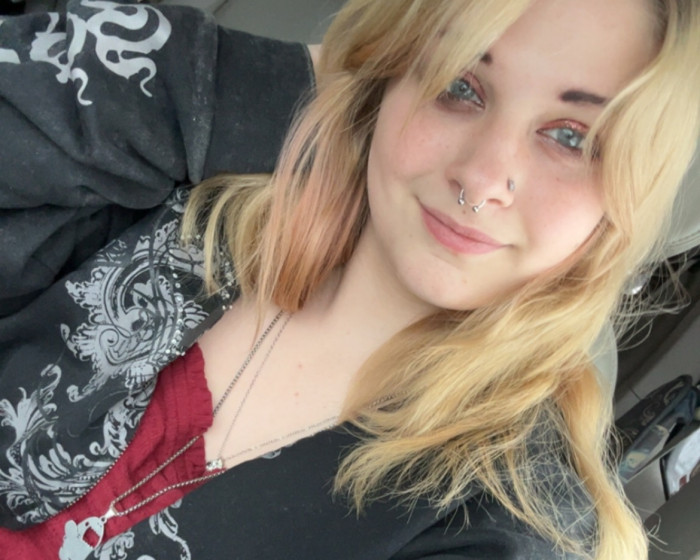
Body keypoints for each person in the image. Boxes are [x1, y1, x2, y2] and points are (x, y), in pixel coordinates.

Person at [0, 0, 698, 558]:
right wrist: (304, 96)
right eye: (458, 84)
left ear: (627, 193)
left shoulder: (514, 519)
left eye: (572, 137)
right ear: (394, 71)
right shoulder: (189, 217)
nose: (483, 180)